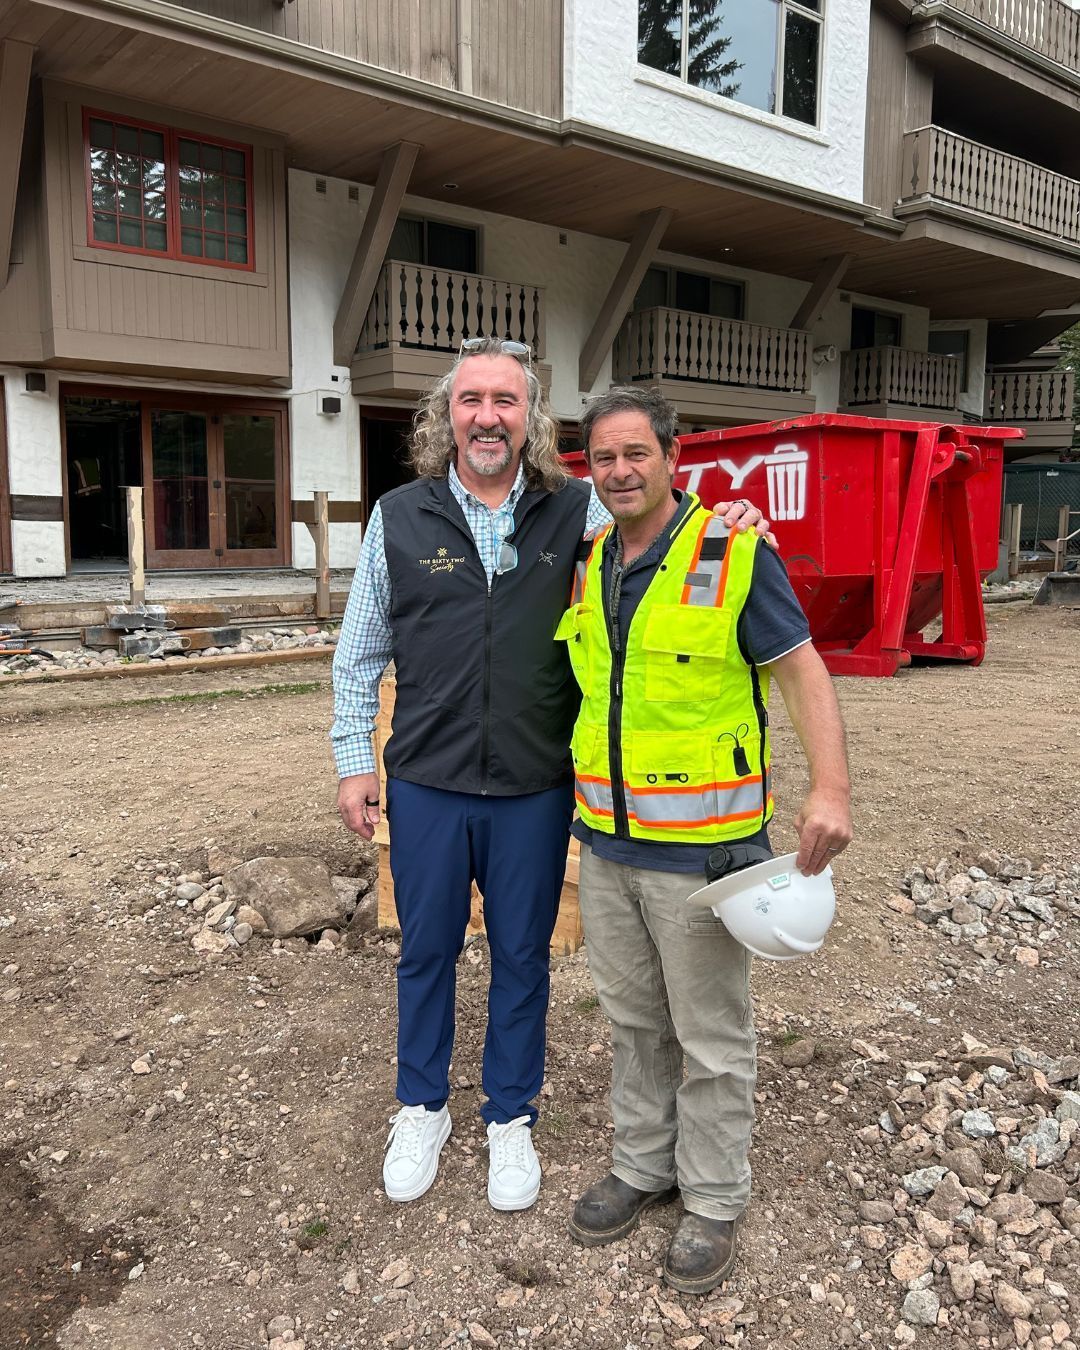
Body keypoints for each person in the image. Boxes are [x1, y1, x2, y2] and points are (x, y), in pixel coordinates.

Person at [331, 339, 768, 1212]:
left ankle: (508, 1119)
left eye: (505, 401)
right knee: (424, 951)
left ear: (531, 418)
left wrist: (728, 524)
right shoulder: (400, 515)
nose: (487, 416)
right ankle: (421, 1106)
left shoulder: (576, 510)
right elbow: (359, 651)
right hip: (425, 779)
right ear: (445, 416)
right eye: (470, 401)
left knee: (522, 957)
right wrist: (353, 761)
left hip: (534, 785)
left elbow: (660, 537)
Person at [560, 385, 852, 1292]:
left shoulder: (734, 552)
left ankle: (715, 1197)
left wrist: (831, 789)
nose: (618, 471)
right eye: (603, 458)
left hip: (704, 852)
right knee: (633, 1022)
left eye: (635, 453)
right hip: (607, 843)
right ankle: (645, 1167)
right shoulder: (588, 557)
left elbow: (802, 670)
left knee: (713, 1036)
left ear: (673, 457)